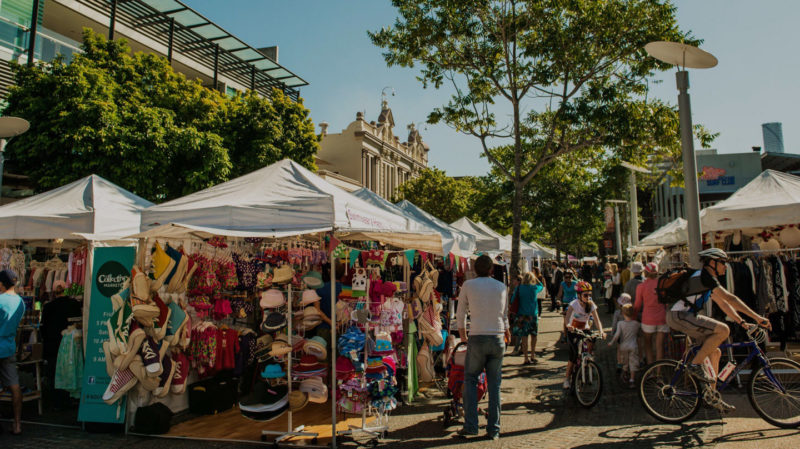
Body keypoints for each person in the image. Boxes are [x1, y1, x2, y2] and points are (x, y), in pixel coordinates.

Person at [665, 248, 771, 413]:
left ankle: (711, 396)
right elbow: (731, 298)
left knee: (715, 353)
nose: (726, 267)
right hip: (679, 315)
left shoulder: (706, 279)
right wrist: (758, 318)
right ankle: (695, 364)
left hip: (683, 316)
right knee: (723, 330)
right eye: (723, 262)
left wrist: (743, 322)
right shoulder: (705, 277)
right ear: (712, 263)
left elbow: (724, 304)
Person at [456, 255, 510, 441]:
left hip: (477, 336)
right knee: (495, 385)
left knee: (470, 379)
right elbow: (504, 313)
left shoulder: (468, 286)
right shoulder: (501, 287)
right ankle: (494, 429)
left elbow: (460, 312)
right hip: (497, 336)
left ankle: (471, 425)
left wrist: (463, 335)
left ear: (474, 269)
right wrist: (507, 331)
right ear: (491, 269)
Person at [563, 281, 605, 389]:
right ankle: (567, 378)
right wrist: (568, 325)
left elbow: (597, 320)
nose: (588, 297)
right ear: (579, 295)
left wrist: (601, 331)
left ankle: (588, 360)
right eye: (585, 295)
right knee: (573, 354)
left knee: (592, 339)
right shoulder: (574, 304)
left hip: (584, 329)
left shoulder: (591, 305)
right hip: (573, 330)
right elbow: (567, 318)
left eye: (590, 294)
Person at [0, 269, 24, 435]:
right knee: (14, 385)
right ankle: (17, 424)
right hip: (9, 347)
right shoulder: (21, 302)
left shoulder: (0, 300)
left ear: (1, 284)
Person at [633, 263, 667, 365]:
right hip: (662, 318)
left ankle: (651, 370)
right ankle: (659, 372)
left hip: (648, 319)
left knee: (647, 345)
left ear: (646, 272)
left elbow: (637, 305)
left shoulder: (641, 286)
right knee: (659, 346)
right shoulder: (662, 285)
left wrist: (633, 317)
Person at [509, 272, 543, 365]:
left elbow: (512, 300)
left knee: (524, 336)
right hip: (533, 315)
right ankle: (532, 355)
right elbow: (541, 285)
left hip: (521, 315)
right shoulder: (534, 288)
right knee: (534, 335)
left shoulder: (519, 288)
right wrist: (535, 277)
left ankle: (526, 358)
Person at [608, 304, 640, 388]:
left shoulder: (620, 323)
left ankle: (625, 373)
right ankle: (632, 380)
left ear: (623, 313)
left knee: (625, 362)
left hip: (623, 346)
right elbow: (638, 335)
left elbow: (617, 335)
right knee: (633, 362)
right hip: (633, 345)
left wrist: (611, 342)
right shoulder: (636, 324)